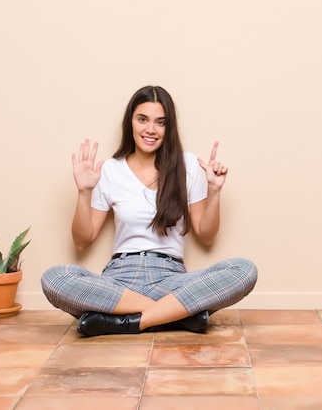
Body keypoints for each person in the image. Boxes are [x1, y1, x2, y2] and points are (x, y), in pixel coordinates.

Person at [41, 85, 258, 336]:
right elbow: (81, 241)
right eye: (142, 119)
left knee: (244, 270)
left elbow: (206, 234)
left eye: (160, 122)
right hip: (119, 281)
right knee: (54, 278)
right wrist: (84, 192)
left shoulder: (187, 164)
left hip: (171, 279)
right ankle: (177, 316)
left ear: (169, 127)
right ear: (130, 121)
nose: (151, 130)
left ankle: (128, 323)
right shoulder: (110, 169)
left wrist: (215, 190)